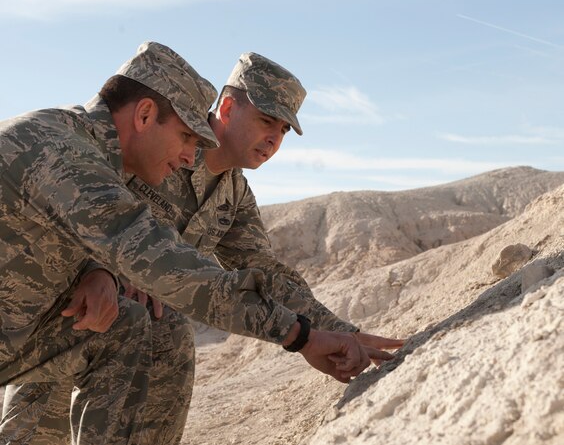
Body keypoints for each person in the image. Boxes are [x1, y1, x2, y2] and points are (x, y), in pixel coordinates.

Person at [0, 42, 374, 445]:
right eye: (268, 121)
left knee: (155, 327)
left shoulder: (225, 191)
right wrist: (300, 336)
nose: (187, 156)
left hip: (58, 319)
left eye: (283, 131)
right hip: (46, 313)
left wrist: (337, 331)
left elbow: (261, 269)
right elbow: (143, 250)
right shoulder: (77, 151)